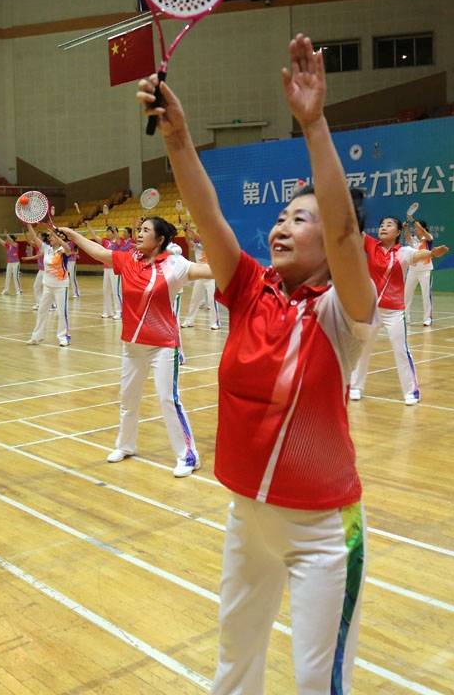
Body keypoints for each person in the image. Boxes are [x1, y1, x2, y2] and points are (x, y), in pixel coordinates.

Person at [140, 35, 375, 692]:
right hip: (248, 516)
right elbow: (209, 215)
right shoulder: (249, 290)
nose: (280, 225)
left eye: (300, 219)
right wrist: (179, 139)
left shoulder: (344, 316)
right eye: (279, 215)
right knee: (234, 664)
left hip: (323, 532)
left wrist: (314, 123)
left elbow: (345, 233)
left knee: (316, 683)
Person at [60, 217, 214, 476]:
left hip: (163, 346)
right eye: (139, 229)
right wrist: (72, 235)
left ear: (160, 239)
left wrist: (239, 259)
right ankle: (125, 444)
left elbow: (210, 270)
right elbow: (99, 252)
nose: (138, 234)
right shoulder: (128, 259)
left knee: (168, 399)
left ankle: (188, 456)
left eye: (145, 231)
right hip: (132, 346)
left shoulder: (176, 265)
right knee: (128, 399)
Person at [350, 217, 448, 404]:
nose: (383, 228)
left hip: (394, 312)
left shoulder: (404, 252)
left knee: (401, 350)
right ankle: (356, 387)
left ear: (397, 233)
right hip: (371, 310)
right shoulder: (371, 245)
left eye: (389, 225)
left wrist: (433, 253)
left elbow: (420, 255)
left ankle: (410, 392)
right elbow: (354, 229)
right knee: (362, 349)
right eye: (381, 225)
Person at [25, 225, 75, 346]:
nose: (50, 238)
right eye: (50, 237)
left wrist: (56, 235)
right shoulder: (46, 248)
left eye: (52, 237)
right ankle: (37, 337)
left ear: (58, 238)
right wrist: (28, 224)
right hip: (47, 285)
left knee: (62, 312)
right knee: (42, 311)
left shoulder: (62, 250)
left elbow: (68, 248)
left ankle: (63, 337)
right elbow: (35, 238)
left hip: (61, 286)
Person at [180, 222, 222, 330]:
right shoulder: (197, 244)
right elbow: (189, 243)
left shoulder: (209, 242)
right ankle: (189, 321)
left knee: (212, 300)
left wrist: (189, 229)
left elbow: (197, 238)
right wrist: (185, 232)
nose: (200, 233)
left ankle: (215, 323)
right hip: (199, 274)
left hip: (209, 274)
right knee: (195, 299)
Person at [87, 225, 122, 318]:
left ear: (113, 232)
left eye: (109, 231)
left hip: (115, 269)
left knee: (116, 291)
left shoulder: (118, 242)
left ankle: (119, 311)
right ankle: (108, 311)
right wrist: (89, 227)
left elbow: (118, 240)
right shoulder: (105, 242)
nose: (107, 233)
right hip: (106, 269)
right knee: (106, 290)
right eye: (107, 231)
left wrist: (115, 231)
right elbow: (95, 237)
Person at [404, 219, 434, 325]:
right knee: (407, 294)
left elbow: (426, 234)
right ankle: (406, 317)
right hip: (412, 270)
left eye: (417, 227)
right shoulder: (414, 239)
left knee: (426, 295)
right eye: (415, 228)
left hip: (425, 271)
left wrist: (415, 222)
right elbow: (407, 238)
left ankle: (427, 318)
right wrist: (406, 228)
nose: (415, 229)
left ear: (423, 228)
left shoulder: (428, 237)